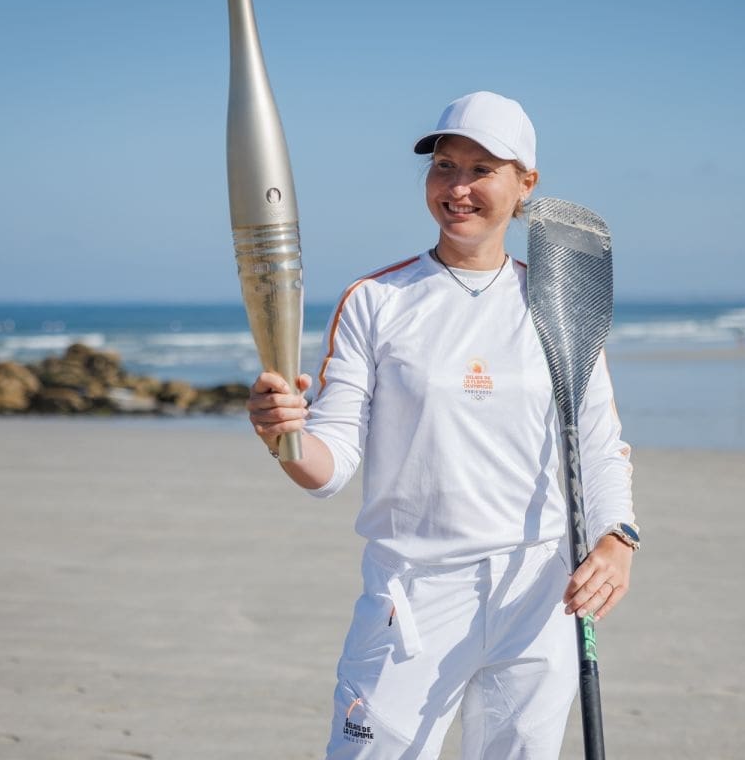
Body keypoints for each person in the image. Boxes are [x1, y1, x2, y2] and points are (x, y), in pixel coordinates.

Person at [247, 91, 637, 759]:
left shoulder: (560, 307)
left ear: (525, 184)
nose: (457, 188)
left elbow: (597, 443)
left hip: (539, 595)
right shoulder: (378, 301)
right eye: (444, 166)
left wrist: (618, 537)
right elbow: (329, 464)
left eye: (481, 169)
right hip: (413, 598)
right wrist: (284, 437)